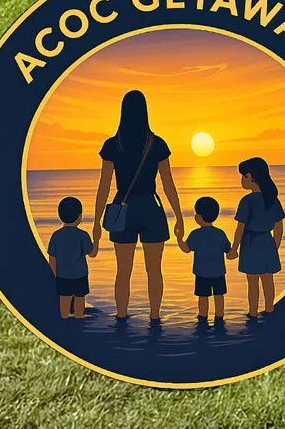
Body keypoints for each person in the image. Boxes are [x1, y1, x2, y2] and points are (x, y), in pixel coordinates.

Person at [89, 90, 182, 321]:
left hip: (123, 208)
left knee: (123, 271)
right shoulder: (157, 144)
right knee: (154, 270)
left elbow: (104, 186)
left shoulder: (113, 145)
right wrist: (179, 216)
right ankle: (155, 317)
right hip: (151, 208)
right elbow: (168, 182)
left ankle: (121, 316)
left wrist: (97, 221)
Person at [234, 158, 283, 316]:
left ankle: (253, 312)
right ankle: (270, 308)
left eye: (243, 176)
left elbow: (240, 228)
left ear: (250, 176)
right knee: (268, 280)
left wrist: (234, 248)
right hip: (267, 242)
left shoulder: (247, 201)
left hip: (251, 243)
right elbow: (279, 226)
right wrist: (275, 245)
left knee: (252, 282)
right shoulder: (272, 200)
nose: (242, 180)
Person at [179, 197, 233, 326]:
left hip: (202, 273)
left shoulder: (195, 234)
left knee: (203, 297)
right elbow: (228, 250)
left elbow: (186, 249)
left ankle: (203, 317)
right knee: (219, 296)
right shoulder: (220, 234)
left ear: (199, 216)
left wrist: (179, 238)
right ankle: (219, 317)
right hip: (218, 272)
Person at [46, 197, 94, 318]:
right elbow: (91, 253)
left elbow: (52, 258)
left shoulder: (56, 236)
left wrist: (55, 275)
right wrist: (96, 241)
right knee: (80, 298)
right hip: (80, 275)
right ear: (80, 216)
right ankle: (79, 316)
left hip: (63, 275)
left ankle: (64, 317)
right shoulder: (83, 235)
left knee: (64, 297)